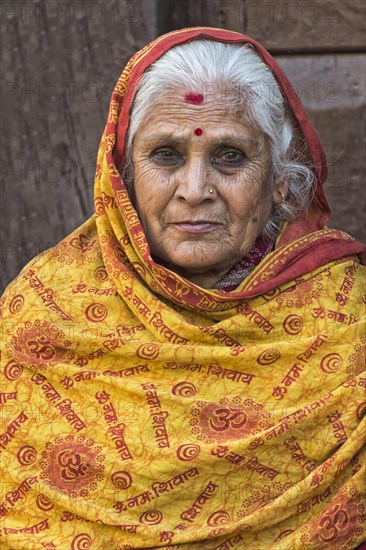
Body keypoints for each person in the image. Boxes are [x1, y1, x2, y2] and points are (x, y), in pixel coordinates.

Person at [0, 27, 364, 550]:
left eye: (231, 157)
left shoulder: (349, 321)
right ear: (122, 174)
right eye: (166, 155)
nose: (195, 191)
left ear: (282, 178)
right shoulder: (44, 316)